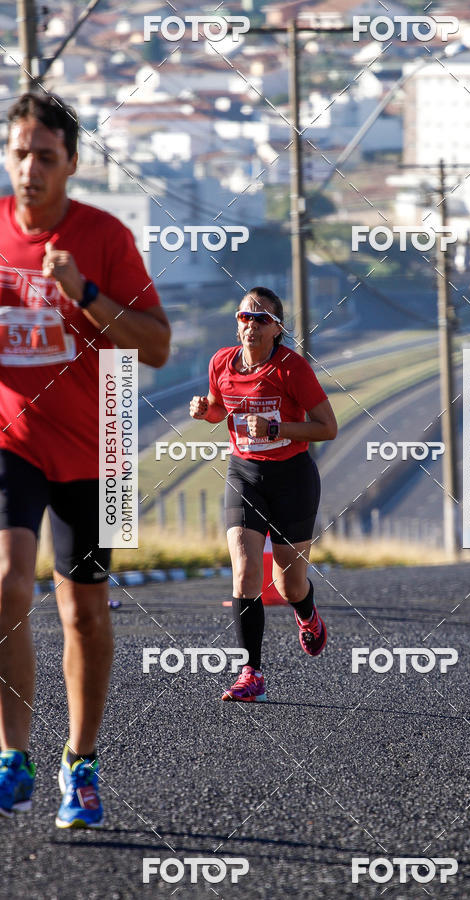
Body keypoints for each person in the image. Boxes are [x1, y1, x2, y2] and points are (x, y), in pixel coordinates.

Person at [0, 93, 170, 825]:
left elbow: (156, 346)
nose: (29, 169)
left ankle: (81, 762)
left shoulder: (104, 236)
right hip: (11, 439)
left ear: (71, 162)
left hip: (97, 448)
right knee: (6, 584)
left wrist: (87, 294)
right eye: (19, 154)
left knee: (84, 614)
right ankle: (13, 757)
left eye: (45, 156)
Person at [190, 287, 337, 701]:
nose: (250, 325)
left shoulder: (292, 368)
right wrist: (205, 411)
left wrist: (276, 429)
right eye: (244, 317)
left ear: (277, 328)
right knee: (245, 572)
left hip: (292, 478)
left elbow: (327, 427)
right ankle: (251, 672)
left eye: (260, 319)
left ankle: (307, 613)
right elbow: (220, 408)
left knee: (289, 586)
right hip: (245, 475)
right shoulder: (221, 362)